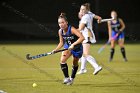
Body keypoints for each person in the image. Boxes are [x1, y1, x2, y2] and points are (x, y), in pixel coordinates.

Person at [52, 13, 84, 85]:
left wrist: (73, 44)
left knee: (75, 63)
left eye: (62, 22)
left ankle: (72, 78)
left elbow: (82, 38)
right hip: (67, 46)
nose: (61, 24)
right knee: (62, 60)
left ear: (66, 22)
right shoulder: (60, 31)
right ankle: (67, 78)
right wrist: (56, 49)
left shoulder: (72, 29)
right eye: (59, 23)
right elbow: (61, 42)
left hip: (77, 48)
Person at [77, 3, 102, 75]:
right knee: (84, 54)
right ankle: (83, 69)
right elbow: (99, 18)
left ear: (87, 10)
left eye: (83, 9)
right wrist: (99, 20)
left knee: (86, 54)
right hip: (87, 35)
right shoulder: (90, 14)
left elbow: (80, 28)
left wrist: (71, 31)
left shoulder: (85, 17)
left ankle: (96, 67)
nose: (81, 11)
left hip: (86, 36)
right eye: (81, 9)